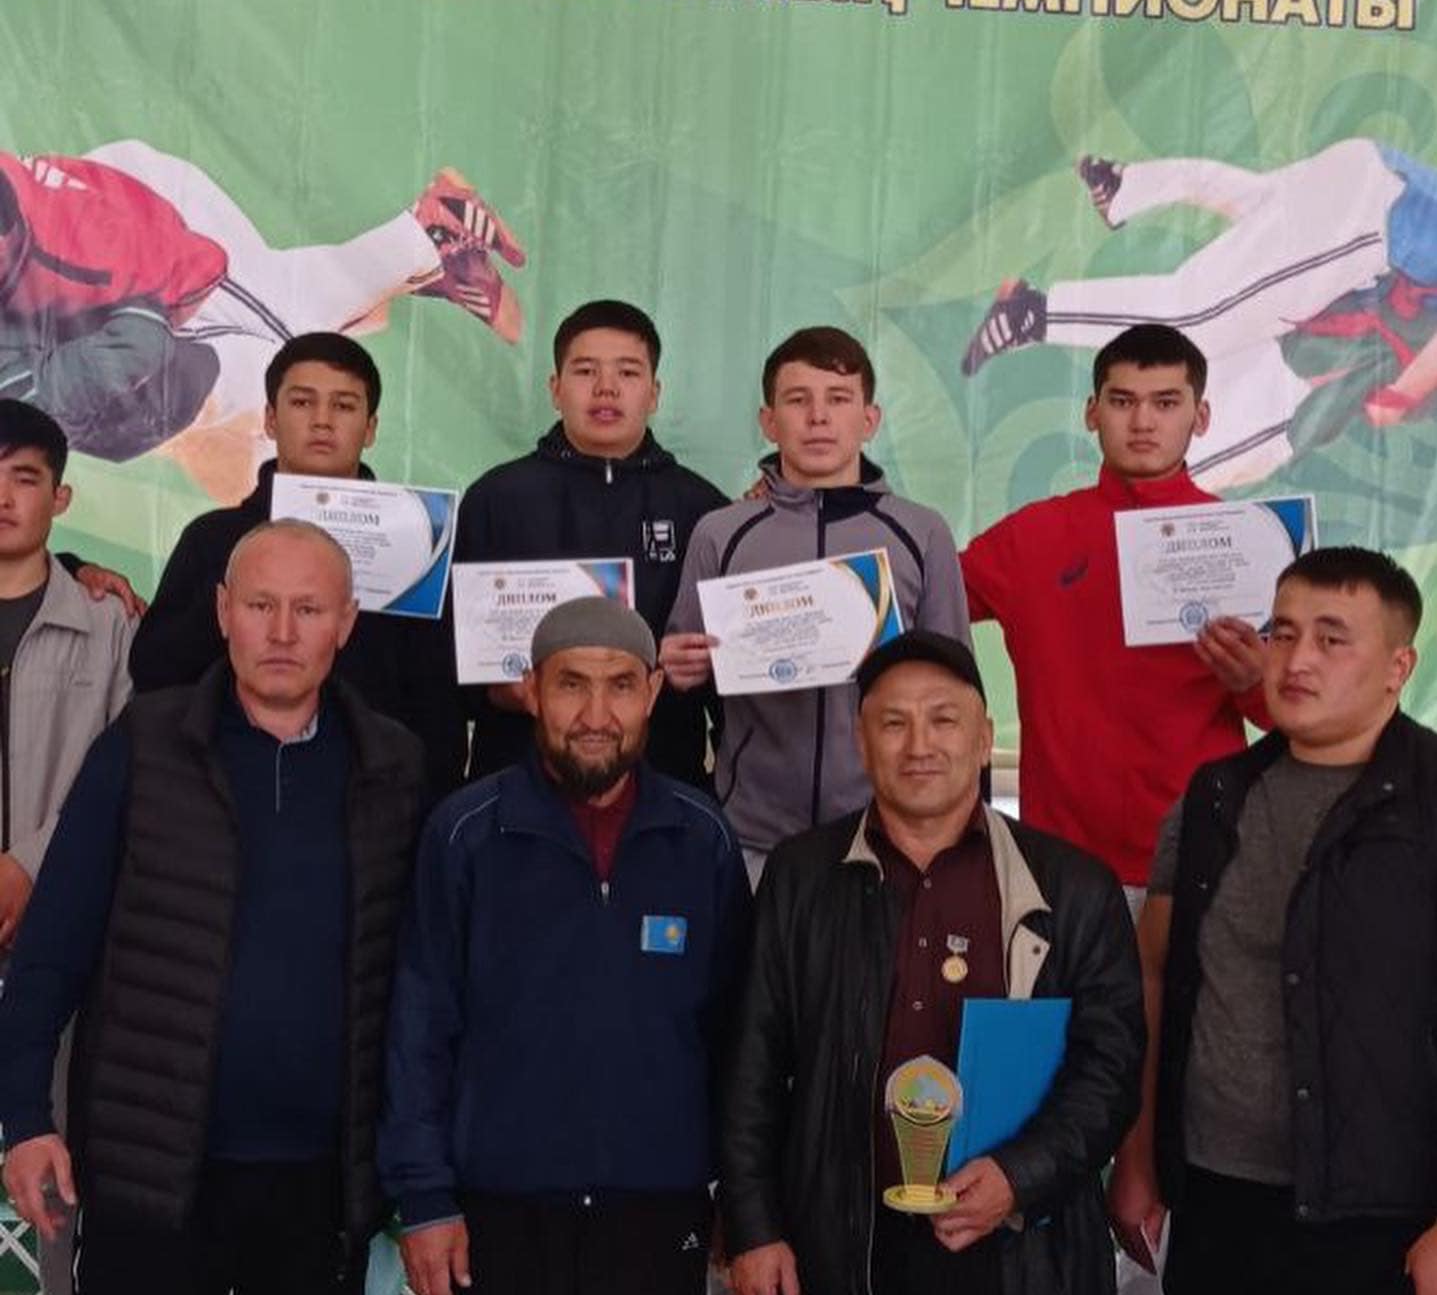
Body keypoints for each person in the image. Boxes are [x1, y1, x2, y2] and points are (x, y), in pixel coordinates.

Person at [0, 519, 426, 1295]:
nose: (282, 631)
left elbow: (423, 983)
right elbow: (49, 952)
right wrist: (23, 1118)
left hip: (321, 1196)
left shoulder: (396, 766)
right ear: (224, 613)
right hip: (154, 1184)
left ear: (345, 624)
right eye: (261, 604)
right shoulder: (142, 746)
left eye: (308, 608)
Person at [720, 631, 1142, 1295]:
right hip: (832, 1261)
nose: (921, 745)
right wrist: (753, 1228)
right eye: (894, 724)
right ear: (861, 740)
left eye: (945, 720)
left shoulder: (1069, 886)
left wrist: (1020, 1176)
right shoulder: (801, 875)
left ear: (986, 736)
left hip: (999, 1262)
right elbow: (751, 1062)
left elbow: (1109, 1069)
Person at [379, 596, 751, 1295]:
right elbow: (418, 1027)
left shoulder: (701, 838)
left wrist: (739, 1203)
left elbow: (736, 1042)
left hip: (652, 1232)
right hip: (491, 1231)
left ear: (653, 694)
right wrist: (425, 1200)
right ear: (530, 692)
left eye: (620, 686)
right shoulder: (465, 833)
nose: (596, 712)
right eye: (572, 685)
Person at [1109, 546, 1437, 1295]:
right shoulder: (1215, 797)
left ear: (1398, 666)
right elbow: (1155, 976)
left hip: (1391, 1227)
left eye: (1333, 639)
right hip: (1223, 1216)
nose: (1295, 660)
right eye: (1283, 631)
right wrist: (1137, 1158)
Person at [0, 141, 525, 501]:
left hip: (159, 241)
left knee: (290, 358)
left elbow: (190, 277)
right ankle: (418, 266)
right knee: (240, 482)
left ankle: (426, 236)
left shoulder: (88, 251)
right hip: (91, 305)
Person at [961, 323, 1267, 899]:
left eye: (1166, 403)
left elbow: (1297, 712)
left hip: (1202, 856)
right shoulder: (1033, 536)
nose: (1143, 422)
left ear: (1201, 416)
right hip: (1060, 863)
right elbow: (908, 603)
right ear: (1091, 412)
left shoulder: (1246, 542)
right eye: (1123, 401)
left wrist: (1255, 682)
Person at [663, 326, 970, 875]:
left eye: (839, 399)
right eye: (798, 400)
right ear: (768, 421)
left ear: (869, 419)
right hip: (753, 834)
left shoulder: (921, 533)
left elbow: (957, 690)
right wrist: (678, 668)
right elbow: (680, 661)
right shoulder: (721, 532)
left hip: (888, 833)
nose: (819, 417)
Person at [960, 140, 1433, 489]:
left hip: (1370, 180)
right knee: (1200, 319)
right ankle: (1033, 314)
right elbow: (1404, 387)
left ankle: (1127, 186)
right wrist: (1401, 396)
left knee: (1259, 208)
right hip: (1376, 216)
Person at [130, 330, 465, 799]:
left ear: (370, 428)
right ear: (270, 418)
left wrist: (427, 811)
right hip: (229, 791)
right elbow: (156, 672)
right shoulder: (213, 540)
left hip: (377, 800)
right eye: (303, 402)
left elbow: (440, 705)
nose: (322, 421)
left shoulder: (417, 550)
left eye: (344, 406)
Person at [0, 399, 134, 1295]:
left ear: (62, 495)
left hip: (61, 912)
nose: (4, 497)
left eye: (25, 477)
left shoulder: (107, 621)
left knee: (59, 1130)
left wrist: (29, 865)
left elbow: (117, 767)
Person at [454, 298, 727, 786]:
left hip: (662, 779)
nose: (606, 388)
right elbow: (445, 665)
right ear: (555, 389)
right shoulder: (494, 499)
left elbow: (733, 679)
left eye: (627, 372)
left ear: (654, 393)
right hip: (517, 777)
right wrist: (497, 689)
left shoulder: (703, 509)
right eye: (585, 371)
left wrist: (704, 666)